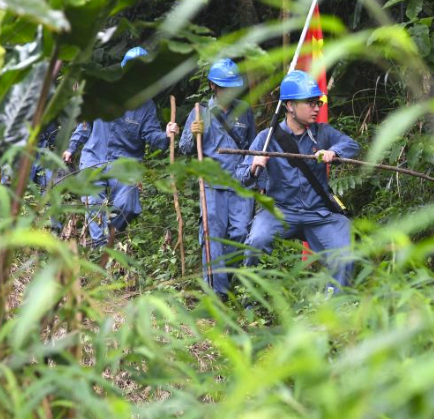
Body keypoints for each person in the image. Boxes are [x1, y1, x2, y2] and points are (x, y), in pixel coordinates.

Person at [238, 70, 359, 289]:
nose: (316, 108)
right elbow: (241, 176)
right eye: (310, 103)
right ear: (290, 106)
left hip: (318, 213)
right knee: (256, 242)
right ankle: (251, 300)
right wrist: (254, 167)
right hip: (280, 211)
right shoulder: (267, 138)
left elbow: (351, 145)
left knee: (344, 252)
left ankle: (338, 305)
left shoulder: (322, 132)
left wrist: (334, 152)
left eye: (317, 103)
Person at [62, 46, 179, 247]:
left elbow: (152, 136)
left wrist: (167, 135)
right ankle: (101, 250)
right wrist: (72, 147)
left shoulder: (146, 106)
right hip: (95, 157)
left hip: (125, 163)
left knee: (129, 206)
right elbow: (85, 124)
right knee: (93, 203)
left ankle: (110, 237)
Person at [178, 58, 255, 299]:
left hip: (241, 183)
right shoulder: (199, 112)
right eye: (225, 87)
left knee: (240, 234)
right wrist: (192, 135)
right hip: (211, 185)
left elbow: (253, 149)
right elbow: (184, 148)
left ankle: (226, 280)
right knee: (213, 237)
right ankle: (217, 293)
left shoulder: (245, 110)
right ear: (213, 86)